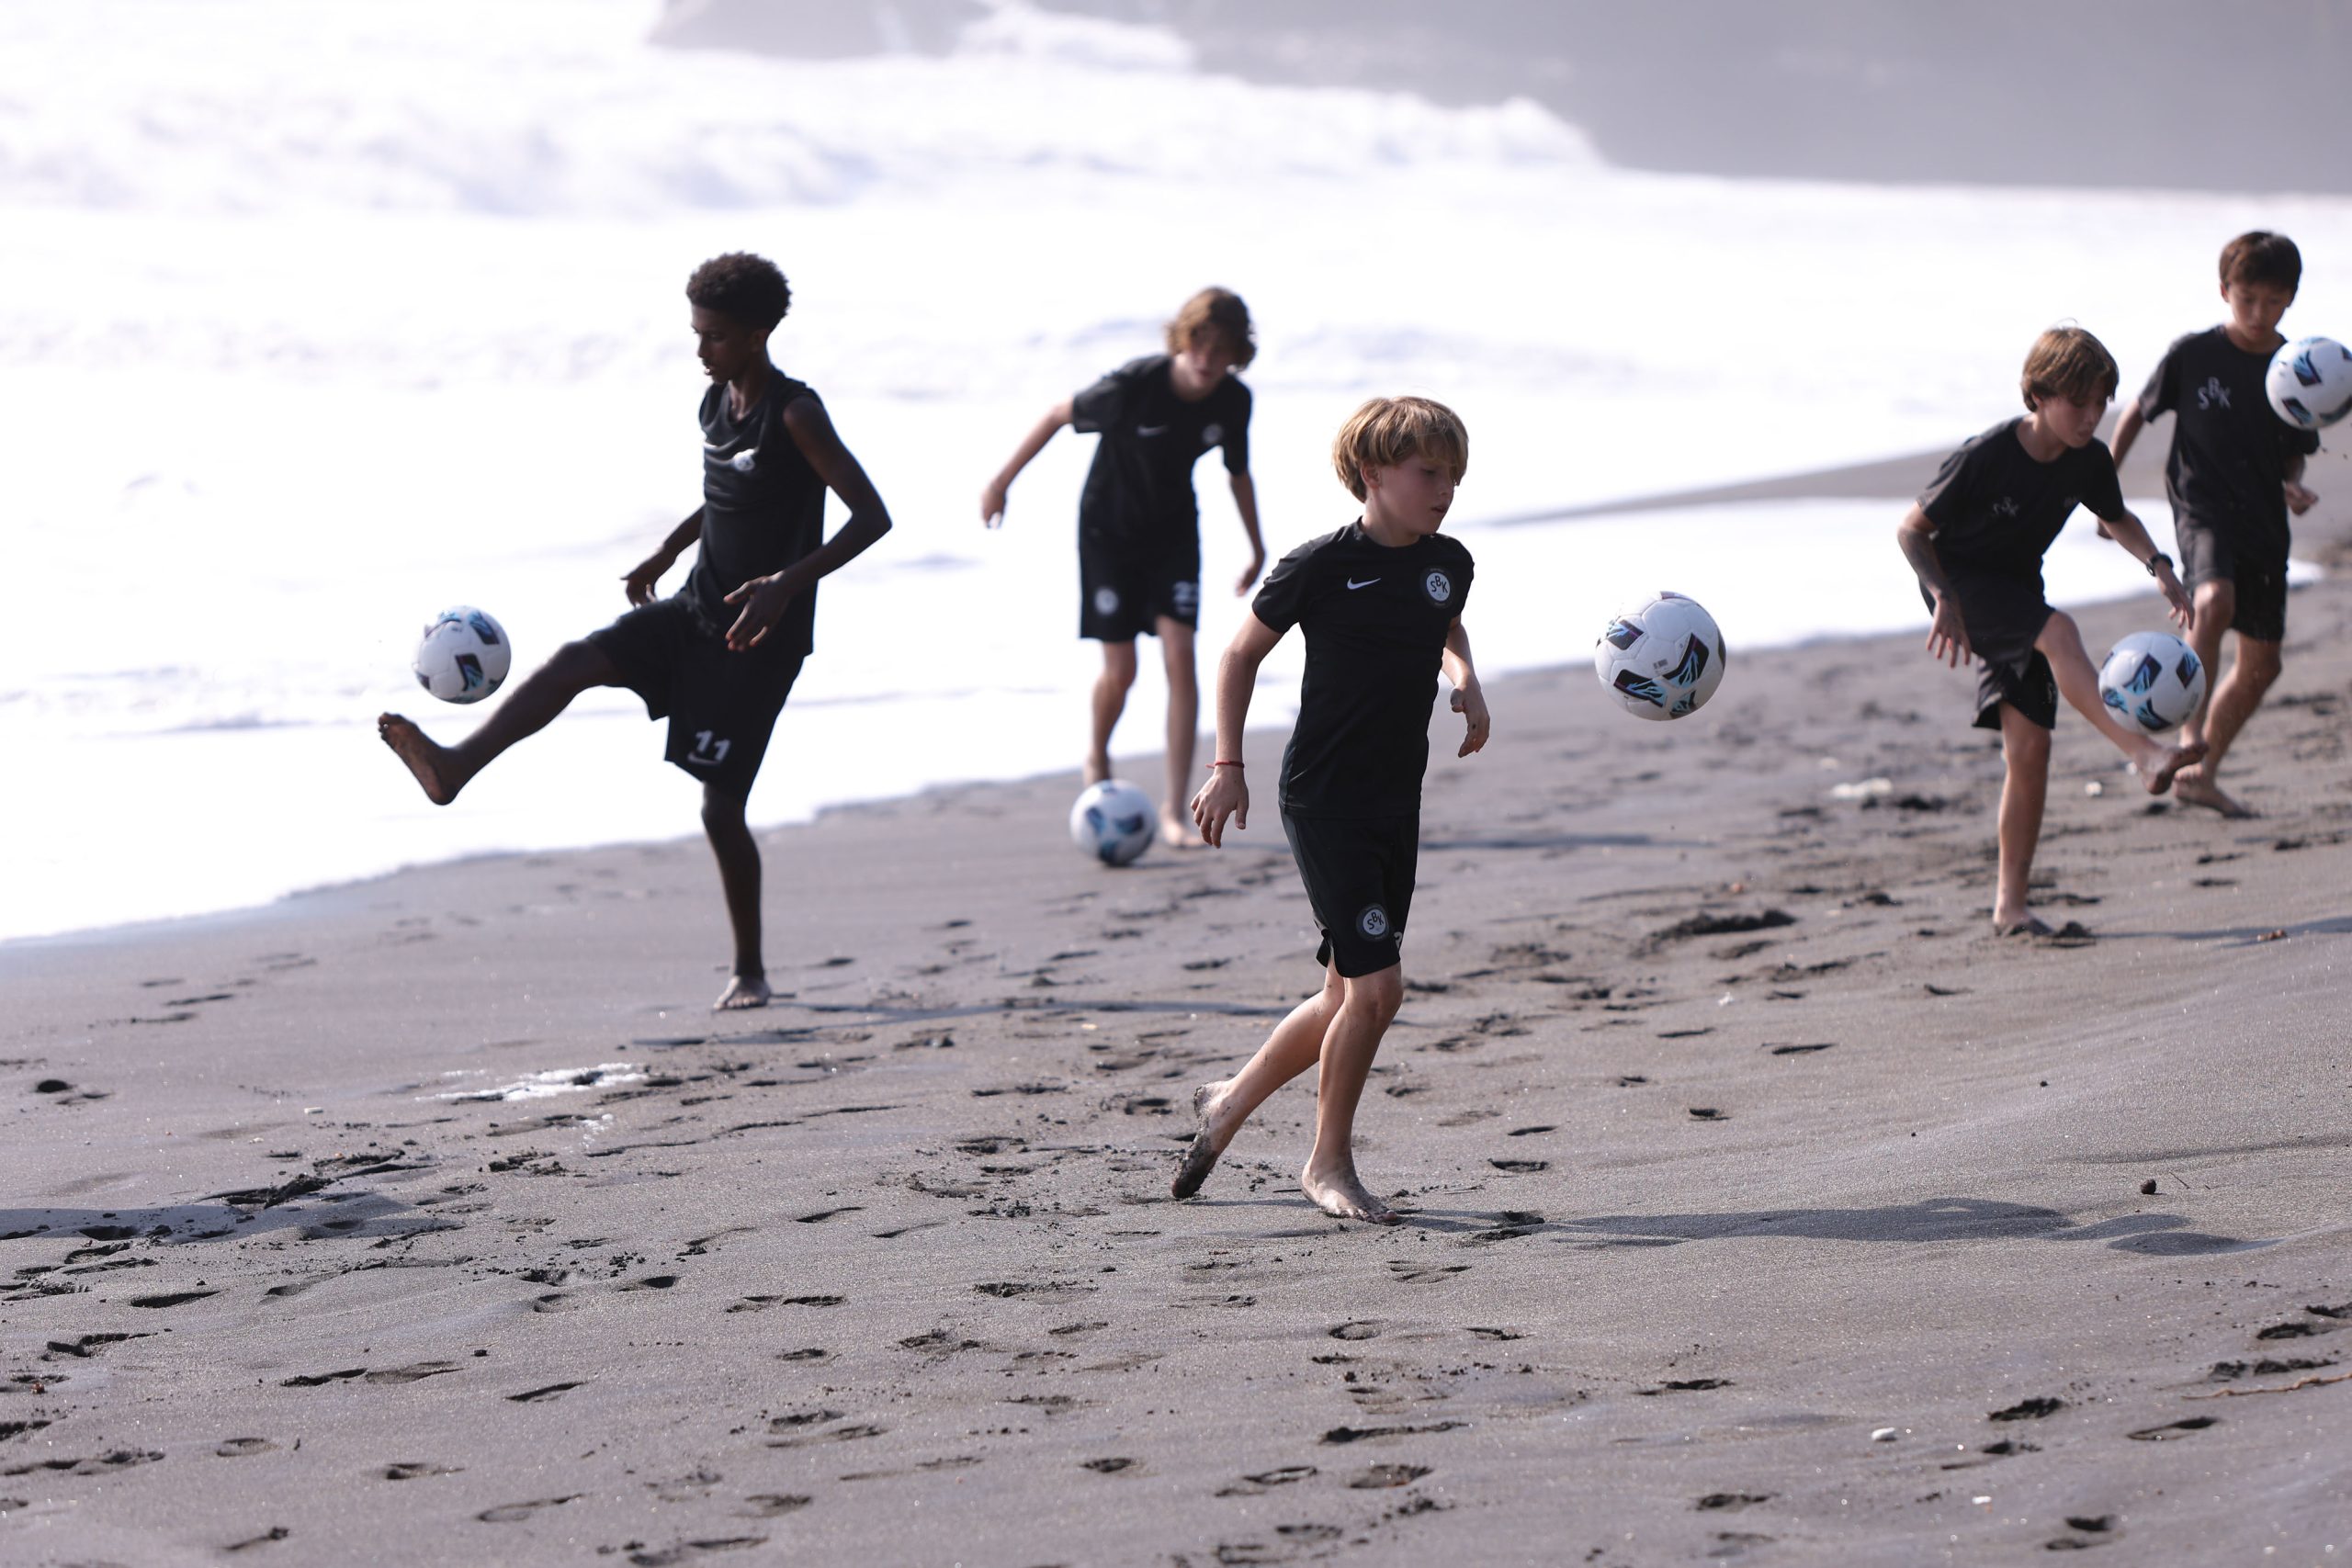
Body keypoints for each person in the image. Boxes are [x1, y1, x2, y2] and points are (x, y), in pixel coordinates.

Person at [379, 253, 892, 1010]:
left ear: (759, 333)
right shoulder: (715, 404)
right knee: (577, 659)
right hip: (693, 608)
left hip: (755, 640)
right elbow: (729, 491)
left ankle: (749, 968)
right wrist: (674, 545)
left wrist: (786, 584)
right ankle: (454, 768)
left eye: (714, 337)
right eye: (695, 334)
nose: (700, 351)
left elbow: (872, 517)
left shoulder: (796, 414)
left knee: (720, 808)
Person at [1176, 396, 1488, 1224]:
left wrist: (1467, 681)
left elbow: (1444, 622)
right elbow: (1239, 653)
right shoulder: (1318, 564)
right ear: (1374, 473)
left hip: (1397, 795)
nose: (1445, 488)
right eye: (1429, 472)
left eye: (1454, 474)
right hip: (1324, 798)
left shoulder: (1448, 561)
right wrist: (1227, 765)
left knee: (1342, 992)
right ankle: (1327, 1162)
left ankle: (1229, 1102)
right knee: (1379, 991)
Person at [1896, 325, 2202, 939]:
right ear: (2038, 394)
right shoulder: (1985, 455)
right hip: (1962, 588)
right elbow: (1911, 531)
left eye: (2100, 404)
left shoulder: (2086, 460)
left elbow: (2117, 518)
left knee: (2030, 750)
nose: (2091, 417)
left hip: (2015, 593)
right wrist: (1943, 598)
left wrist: (2161, 568)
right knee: (2060, 631)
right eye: (2077, 402)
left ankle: (2010, 905)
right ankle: (2144, 753)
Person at [980, 288, 1266, 848]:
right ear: (1183, 340)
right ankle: (1097, 751)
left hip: (1174, 534)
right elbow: (1060, 414)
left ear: (1237, 353)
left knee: (1181, 659)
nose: (1207, 358)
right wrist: (1000, 482)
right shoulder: (1135, 384)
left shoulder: (1233, 401)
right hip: (1107, 532)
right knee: (1123, 671)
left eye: (1222, 348)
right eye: (1199, 343)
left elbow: (1238, 472)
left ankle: (1175, 812)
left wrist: (1256, 546)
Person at [2109, 231, 2323, 818]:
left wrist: (2291, 483)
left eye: (2272, 301)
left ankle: (2201, 773)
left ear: (2291, 299)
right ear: (2225, 291)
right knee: (2213, 601)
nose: (2258, 313)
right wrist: (2108, 483)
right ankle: (2184, 732)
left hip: (2262, 519)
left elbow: (2293, 450)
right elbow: (2138, 410)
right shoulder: (2194, 354)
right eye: (2247, 298)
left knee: (2262, 665)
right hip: (2202, 507)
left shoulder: (2295, 370)